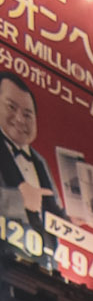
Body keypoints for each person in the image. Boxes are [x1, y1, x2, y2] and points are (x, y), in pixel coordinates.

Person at [0, 73, 58, 232]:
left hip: (43, 253)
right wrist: (21, 200)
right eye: (11, 107)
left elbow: (51, 209)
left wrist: (68, 219)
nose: (20, 119)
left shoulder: (41, 161)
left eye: (27, 115)